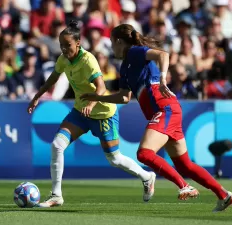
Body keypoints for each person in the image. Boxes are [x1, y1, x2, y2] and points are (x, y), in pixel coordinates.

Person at [80, 24, 232, 212]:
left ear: (120, 42)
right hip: (165, 111)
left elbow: (163, 55)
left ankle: (184, 186)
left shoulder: (135, 52)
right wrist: (98, 98)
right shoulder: (125, 67)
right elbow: (123, 97)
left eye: (112, 43)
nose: (112, 48)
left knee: (144, 154)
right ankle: (223, 195)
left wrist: (162, 78)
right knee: (185, 165)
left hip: (165, 108)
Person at [27, 21, 156, 208]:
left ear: (78, 43)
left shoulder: (88, 60)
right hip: (81, 112)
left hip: (103, 113)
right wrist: (37, 97)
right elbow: (53, 79)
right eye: (61, 45)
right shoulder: (63, 59)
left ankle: (147, 176)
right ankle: (56, 195)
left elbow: (101, 87)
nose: (64, 49)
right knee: (57, 145)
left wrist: (92, 103)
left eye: (68, 45)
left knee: (114, 158)